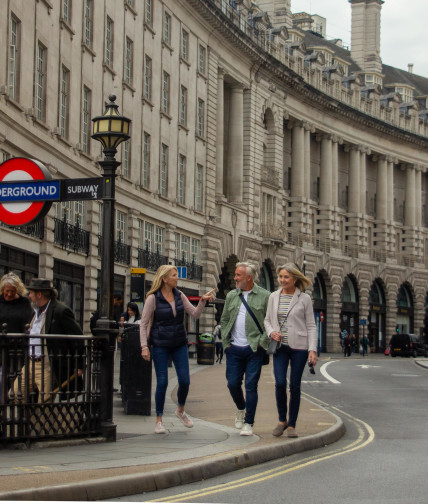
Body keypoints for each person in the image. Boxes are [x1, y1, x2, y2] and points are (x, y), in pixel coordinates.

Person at [140, 265, 215, 434]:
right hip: (160, 344)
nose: (177, 278)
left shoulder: (180, 295)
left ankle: (180, 410)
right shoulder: (153, 298)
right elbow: (143, 324)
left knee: (185, 381)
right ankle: (159, 420)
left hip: (179, 343)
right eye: (174, 275)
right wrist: (144, 346)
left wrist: (202, 301)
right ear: (164, 279)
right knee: (162, 382)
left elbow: (195, 314)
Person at [264, 263, 317, 438]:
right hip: (280, 346)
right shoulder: (273, 297)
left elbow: (311, 325)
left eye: (286, 277)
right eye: (280, 277)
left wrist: (312, 350)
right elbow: (267, 320)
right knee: (279, 382)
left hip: (299, 348)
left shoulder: (304, 299)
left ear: (295, 278)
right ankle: (282, 420)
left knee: (294, 386)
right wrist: (272, 332)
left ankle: (292, 424)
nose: (283, 280)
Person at [11, 278, 84, 404]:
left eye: (31, 293)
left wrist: (79, 365)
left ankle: (38, 423)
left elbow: (77, 338)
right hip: (30, 363)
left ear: (39, 294)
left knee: (44, 403)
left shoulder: (60, 311)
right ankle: (27, 421)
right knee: (15, 395)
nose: (29, 296)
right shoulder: (34, 312)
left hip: (47, 365)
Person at [221, 262, 270, 436]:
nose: (235, 278)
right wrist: (225, 343)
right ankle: (241, 408)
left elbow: (269, 322)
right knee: (232, 383)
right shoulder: (232, 296)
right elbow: (225, 319)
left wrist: (262, 342)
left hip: (254, 348)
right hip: (233, 347)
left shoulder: (265, 296)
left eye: (238, 275)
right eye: (235, 275)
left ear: (248, 278)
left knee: (251, 385)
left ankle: (249, 422)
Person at [0, 272, 34, 403]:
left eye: (12, 292)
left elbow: (28, 323)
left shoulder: (24, 303)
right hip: (1, 350)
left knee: (16, 384)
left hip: (18, 351)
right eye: (6, 291)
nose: (9, 294)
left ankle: (16, 414)